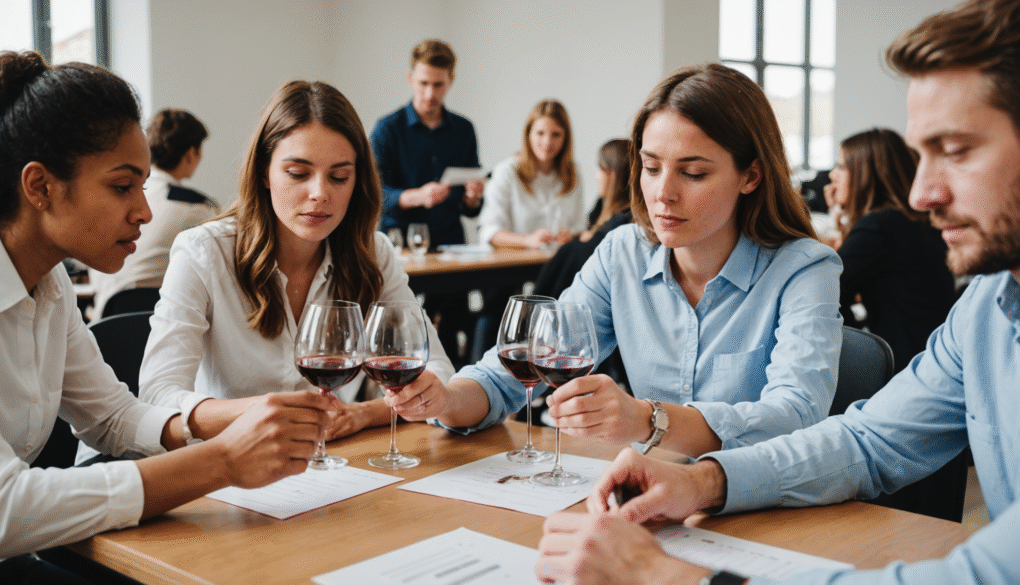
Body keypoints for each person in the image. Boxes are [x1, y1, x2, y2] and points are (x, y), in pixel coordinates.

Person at [536, 1, 1020, 583]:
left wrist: (666, 576)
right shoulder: (987, 307)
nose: (919, 195)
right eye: (922, 154)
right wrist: (705, 481)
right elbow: (866, 443)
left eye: (957, 150)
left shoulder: (805, 265)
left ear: (750, 175)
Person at [0, 51, 335, 581]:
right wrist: (221, 461)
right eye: (121, 186)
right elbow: (4, 509)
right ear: (39, 186)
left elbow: (112, 418)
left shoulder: (52, 285)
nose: (146, 211)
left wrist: (233, 419)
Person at [390, 63, 843, 459]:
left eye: (693, 173)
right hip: (648, 492)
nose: (663, 193)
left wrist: (649, 420)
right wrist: (446, 400)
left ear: (751, 175)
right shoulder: (622, 252)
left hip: (757, 506)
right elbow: (511, 372)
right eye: (651, 167)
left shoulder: (804, 269)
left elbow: (796, 417)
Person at [136, 80, 454, 447]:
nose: (320, 193)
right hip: (230, 464)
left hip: (338, 463)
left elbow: (439, 375)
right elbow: (157, 397)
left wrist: (362, 414)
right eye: (298, 173)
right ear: (264, 172)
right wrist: (264, 413)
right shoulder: (203, 252)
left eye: (339, 177)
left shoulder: (373, 252)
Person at [370, 39, 484, 367]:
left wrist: (473, 197)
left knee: (453, 325)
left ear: (451, 81)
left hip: (450, 245)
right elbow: (373, 195)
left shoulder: (463, 129)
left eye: (438, 85)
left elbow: (470, 207)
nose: (430, 93)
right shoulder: (387, 129)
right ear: (410, 78)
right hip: (401, 245)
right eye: (423, 83)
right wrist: (417, 196)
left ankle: (452, 386)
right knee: (396, 328)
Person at [827, 128, 955, 374]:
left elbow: (825, 291)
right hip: (931, 356)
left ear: (866, 175)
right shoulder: (910, 220)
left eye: (841, 166)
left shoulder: (879, 226)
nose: (833, 174)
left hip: (903, 367)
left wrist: (862, 343)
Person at [88, 108, 217, 320]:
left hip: (104, 321)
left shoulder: (116, 195)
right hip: (157, 318)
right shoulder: (198, 208)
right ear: (190, 154)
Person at [532, 138, 633, 300]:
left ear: (614, 175)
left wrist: (583, 240)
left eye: (601, 170)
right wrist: (576, 236)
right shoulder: (601, 208)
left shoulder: (625, 222)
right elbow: (590, 232)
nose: (596, 176)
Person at [477, 99, 584, 249]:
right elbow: (488, 231)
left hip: (560, 259)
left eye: (556, 134)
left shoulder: (573, 174)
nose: (547, 142)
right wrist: (527, 240)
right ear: (528, 134)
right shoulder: (507, 171)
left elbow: (580, 228)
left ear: (566, 138)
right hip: (517, 261)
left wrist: (570, 235)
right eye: (540, 133)